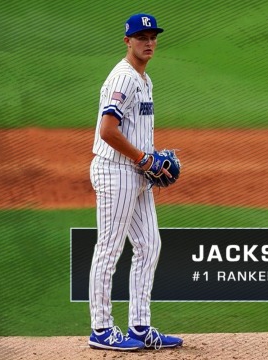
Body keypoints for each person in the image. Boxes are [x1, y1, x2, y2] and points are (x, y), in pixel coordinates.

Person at [88, 13, 183, 351]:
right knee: (109, 250)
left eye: (153, 36)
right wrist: (144, 159)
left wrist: (152, 160)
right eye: (141, 36)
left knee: (149, 245)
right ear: (127, 40)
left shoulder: (145, 79)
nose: (149, 42)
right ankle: (101, 329)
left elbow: (133, 130)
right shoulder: (125, 78)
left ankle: (140, 326)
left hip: (136, 174)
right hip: (116, 172)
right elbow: (107, 131)